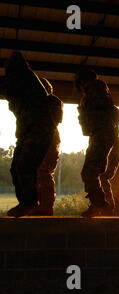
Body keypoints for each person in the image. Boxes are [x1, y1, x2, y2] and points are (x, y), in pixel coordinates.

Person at [3, 52, 55, 217]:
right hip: (28, 130)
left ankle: (29, 202)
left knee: (25, 165)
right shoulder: (25, 80)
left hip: (39, 129)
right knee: (15, 168)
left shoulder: (25, 78)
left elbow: (8, 87)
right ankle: (25, 203)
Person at [75, 68, 119, 218]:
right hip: (101, 135)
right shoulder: (101, 93)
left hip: (101, 136)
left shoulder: (94, 91)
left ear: (81, 83)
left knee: (89, 172)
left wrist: (82, 109)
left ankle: (100, 205)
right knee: (92, 172)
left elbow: (94, 119)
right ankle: (100, 205)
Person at [29, 78, 63, 216]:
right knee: (40, 173)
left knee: (43, 173)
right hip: (48, 139)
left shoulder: (46, 102)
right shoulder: (54, 102)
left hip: (45, 139)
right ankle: (41, 205)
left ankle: (45, 206)